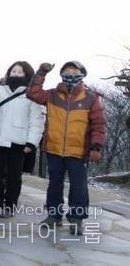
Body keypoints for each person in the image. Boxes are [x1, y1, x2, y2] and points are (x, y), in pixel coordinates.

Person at [27, 61, 106, 235]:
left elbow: (98, 125)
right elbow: (32, 93)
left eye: (75, 72)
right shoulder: (52, 95)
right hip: (53, 149)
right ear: (61, 74)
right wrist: (41, 72)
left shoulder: (91, 98)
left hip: (79, 151)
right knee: (54, 185)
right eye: (67, 71)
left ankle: (76, 219)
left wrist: (96, 147)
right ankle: (53, 216)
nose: (71, 74)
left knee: (79, 186)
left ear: (82, 74)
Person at [0, 61, 45, 217]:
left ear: (27, 75)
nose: (16, 74)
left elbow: (36, 121)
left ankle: (10, 205)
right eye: (13, 71)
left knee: (14, 176)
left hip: (18, 142)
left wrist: (32, 143)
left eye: (20, 72)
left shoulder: (31, 95)